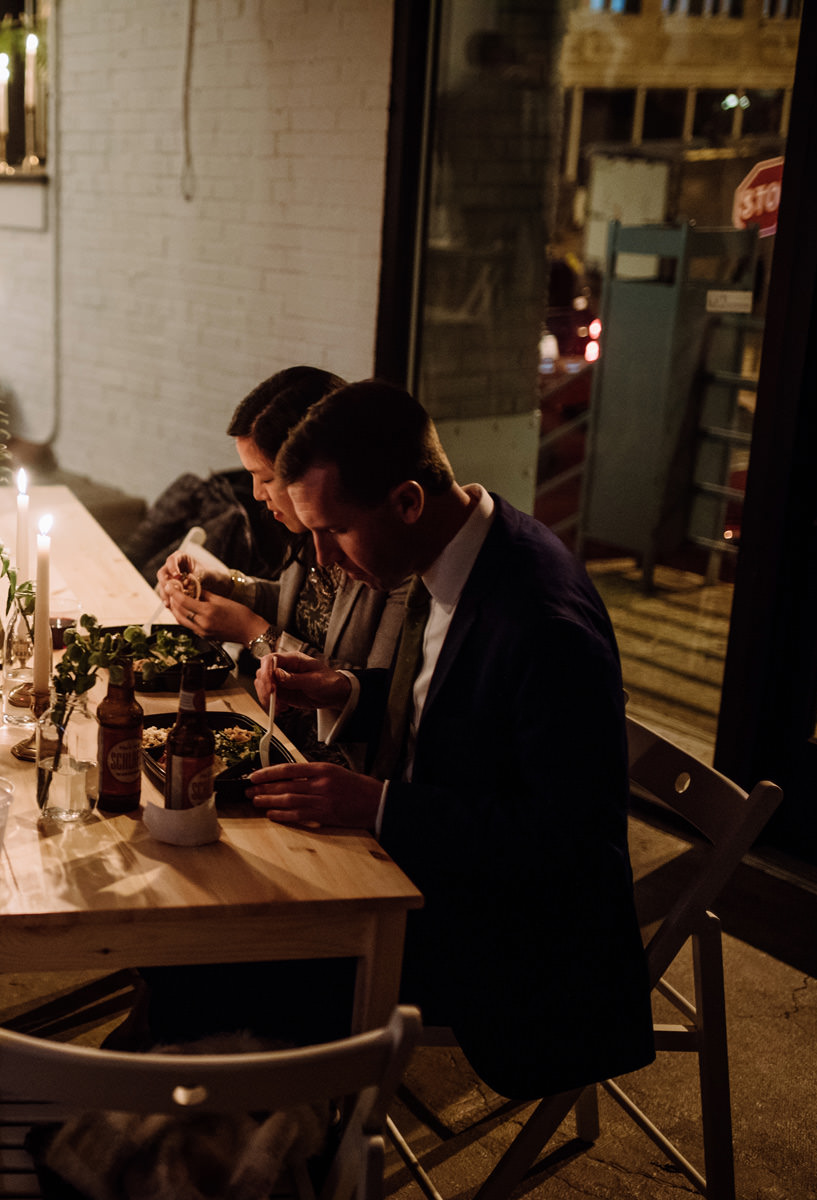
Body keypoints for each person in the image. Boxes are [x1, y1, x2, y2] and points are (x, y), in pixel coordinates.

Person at [246, 379, 655, 1101]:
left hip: (510, 944)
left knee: (247, 952)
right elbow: (460, 719)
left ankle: (247, 1148)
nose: (323, 559)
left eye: (334, 530)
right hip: (423, 871)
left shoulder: (542, 624)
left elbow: (572, 844)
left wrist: (378, 807)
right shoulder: (449, 551)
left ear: (406, 500)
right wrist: (346, 692)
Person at [157, 366, 408, 765]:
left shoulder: (382, 554)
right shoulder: (303, 535)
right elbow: (307, 610)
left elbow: (379, 695)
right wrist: (222, 584)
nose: (257, 493)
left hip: (331, 765)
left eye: (266, 477)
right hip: (277, 733)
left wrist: (252, 631)